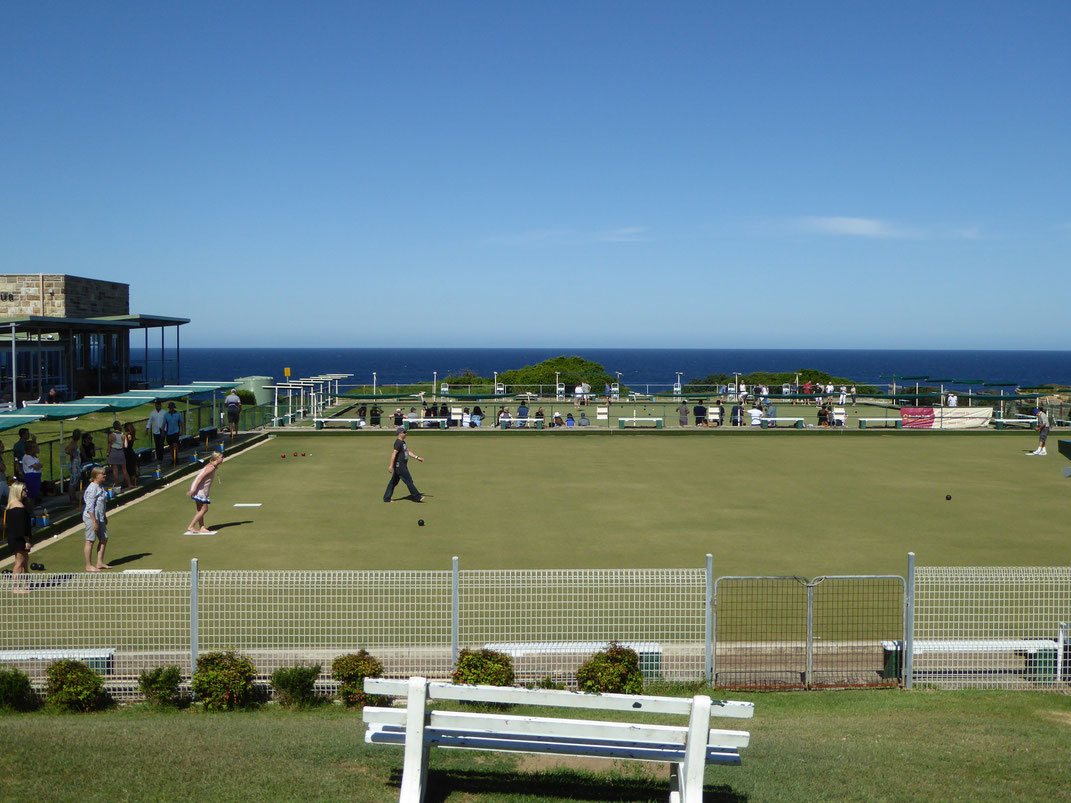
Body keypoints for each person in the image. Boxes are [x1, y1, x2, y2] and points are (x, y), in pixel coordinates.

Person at [186, 451, 223, 534]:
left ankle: (202, 527)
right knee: (205, 509)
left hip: (201, 490)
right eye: (221, 457)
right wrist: (193, 490)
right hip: (200, 490)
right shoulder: (211, 468)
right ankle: (191, 526)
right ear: (217, 458)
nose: (222, 458)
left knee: (200, 509)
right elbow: (199, 478)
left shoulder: (211, 466)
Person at [5, 480, 33, 593]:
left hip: (14, 537)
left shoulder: (13, 505)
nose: (26, 491)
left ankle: (26, 584)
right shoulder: (19, 507)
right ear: (18, 491)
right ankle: (16, 587)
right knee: (19, 562)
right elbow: (22, 527)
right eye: (24, 490)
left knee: (25, 560)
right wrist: (26, 540)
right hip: (19, 539)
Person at [384, 426, 425, 503]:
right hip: (400, 466)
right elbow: (394, 454)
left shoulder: (403, 443)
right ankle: (417, 497)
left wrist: (417, 457)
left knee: (393, 482)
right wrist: (391, 465)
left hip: (401, 466)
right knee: (409, 481)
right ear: (400, 433)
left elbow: (407, 452)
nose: (406, 434)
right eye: (404, 432)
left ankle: (386, 498)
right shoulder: (398, 443)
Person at [82, 466, 111, 571]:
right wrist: (94, 522)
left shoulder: (100, 487)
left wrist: (104, 516)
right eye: (102, 474)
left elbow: (101, 504)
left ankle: (99, 562)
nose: (105, 475)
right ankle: (88, 565)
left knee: (104, 538)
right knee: (90, 541)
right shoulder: (92, 489)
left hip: (100, 517)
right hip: (91, 518)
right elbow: (90, 507)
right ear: (96, 476)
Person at [107, 420, 133, 488]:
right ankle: (129, 484)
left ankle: (117, 485)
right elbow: (126, 446)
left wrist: (108, 454)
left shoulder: (112, 435)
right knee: (124, 470)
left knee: (115, 470)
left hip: (113, 452)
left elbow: (109, 446)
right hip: (121, 452)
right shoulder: (123, 435)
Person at [146, 399, 167, 463]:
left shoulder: (164, 412)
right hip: (155, 431)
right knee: (157, 445)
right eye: (156, 405)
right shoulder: (153, 413)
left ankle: (161, 458)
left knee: (161, 445)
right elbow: (150, 421)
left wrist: (165, 430)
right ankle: (158, 458)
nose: (157, 406)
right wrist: (147, 428)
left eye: (158, 405)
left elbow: (166, 422)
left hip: (162, 430)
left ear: (160, 405)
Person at [65, 429, 82, 503]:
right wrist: (73, 455)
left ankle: (74, 497)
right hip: (74, 465)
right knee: (73, 481)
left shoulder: (74, 443)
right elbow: (67, 450)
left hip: (77, 464)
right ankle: (72, 498)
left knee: (75, 481)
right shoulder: (73, 444)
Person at [123, 422, 138, 488]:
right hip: (130, 452)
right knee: (130, 467)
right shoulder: (132, 434)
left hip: (128, 453)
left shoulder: (128, 435)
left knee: (129, 468)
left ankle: (129, 482)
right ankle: (130, 481)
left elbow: (126, 445)